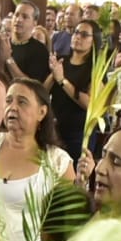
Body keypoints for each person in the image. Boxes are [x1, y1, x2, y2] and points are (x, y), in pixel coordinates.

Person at [0, 78, 75, 241]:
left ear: (42, 112)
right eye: (8, 101)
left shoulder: (57, 161)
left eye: (22, 102)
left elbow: (65, 226)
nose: (12, 107)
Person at [45, 18, 96, 161]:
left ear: (94, 41)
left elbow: (88, 103)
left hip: (79, 134)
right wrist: (53, 74)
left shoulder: (95, 68)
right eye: (76, 33)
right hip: (55, 129)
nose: (78, 37)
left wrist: (62, 80)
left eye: (84, 35)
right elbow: (42, 92)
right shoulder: (61, 60)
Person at [7, 0, 49, 81]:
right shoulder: (2, 44)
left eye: (25, 17)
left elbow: (31, 85)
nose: (18, 19)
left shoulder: (39, 50)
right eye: (16, 15)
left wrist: (8, 59)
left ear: (34, 23)